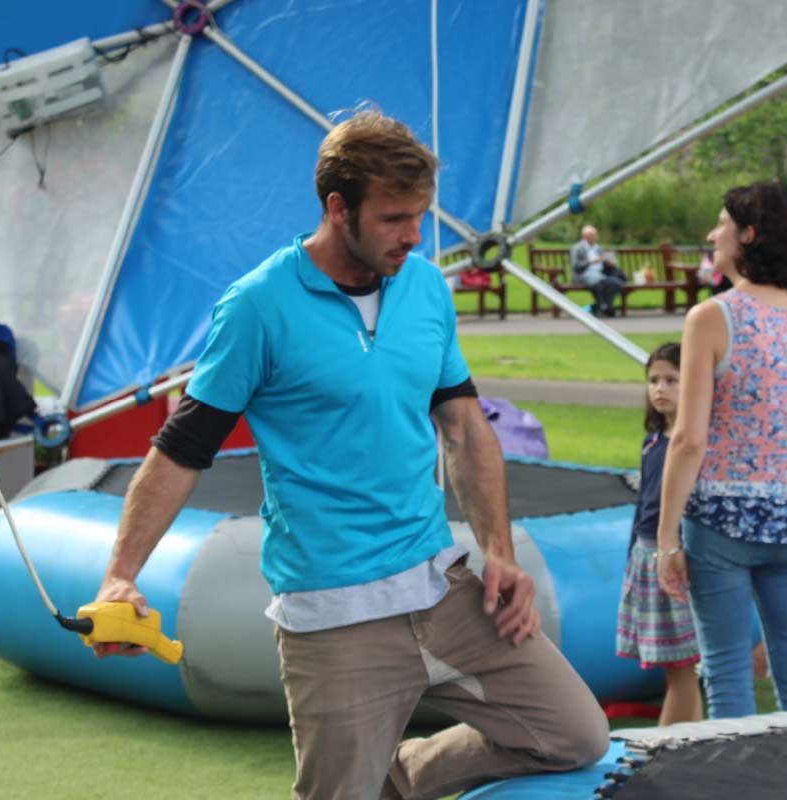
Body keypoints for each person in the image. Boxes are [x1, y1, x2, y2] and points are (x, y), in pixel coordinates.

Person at [90, 109, 608, 800]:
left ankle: (403, 776)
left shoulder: (424, 287)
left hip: (444, 589)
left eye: (420, 215)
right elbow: (180, 451)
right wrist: (120, 575)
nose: (414, 236)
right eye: (395, 217)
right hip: (334, 616)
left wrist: (500, 553)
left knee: (574, 735)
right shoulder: (256, 306)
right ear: (339, 208)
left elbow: (461, 423)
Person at [656, 181, 787, 720]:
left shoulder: (713, 317)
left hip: (722, 518)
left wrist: (666, 536)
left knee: (725, 670)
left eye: (720, 224)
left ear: (748, 234)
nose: (711, 235)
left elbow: (689, 437)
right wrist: (785, 424)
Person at [616, 342, 703, 726]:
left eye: (671, 379)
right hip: (647, 557)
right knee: (677, 670)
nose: (660, 389)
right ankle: (695, 741)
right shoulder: (652, 443)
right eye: (653, 380)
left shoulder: (694, 447)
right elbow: (643, 512)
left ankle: (662, 747)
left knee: (681, 669)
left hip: (675, 562)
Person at [570, 224, 625, 317]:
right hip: (583, 275)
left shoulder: (599, 248)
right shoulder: (577, 248)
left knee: (616, 283)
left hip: (599, 275)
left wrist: (608, 263)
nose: (595, 238)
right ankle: (602, 307)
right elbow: (576, 266)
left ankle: (603, 306)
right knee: (598, 283)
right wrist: (591, 262)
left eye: (595, 235)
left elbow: (607, 263)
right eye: (592, 236)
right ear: (584, 237)